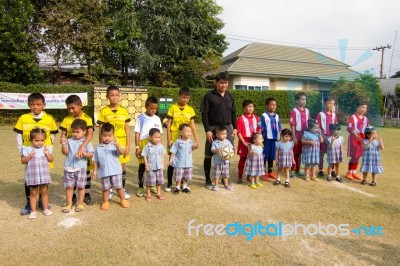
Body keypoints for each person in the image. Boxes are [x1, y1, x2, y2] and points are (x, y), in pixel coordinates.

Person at [14, 92, 58, 215]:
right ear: (29, 105)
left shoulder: (49, 118)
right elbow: (19, 135)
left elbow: (53, 135)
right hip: (29, 153)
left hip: (43, 154)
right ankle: (29, 203)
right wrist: (22, 152)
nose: (36, 107)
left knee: (43, 178)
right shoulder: (23, 118)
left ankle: (41, 202)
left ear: (44, 105)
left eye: (38, 104)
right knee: (30, 178)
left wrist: (49, 151)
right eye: (33, 104)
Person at [201, 72, 237, 189]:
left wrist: (235, 128)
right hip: (212, 127)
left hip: (227, 128)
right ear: (216, 83)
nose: (224, 85)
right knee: (208, 154)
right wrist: (207, 130)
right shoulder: (209, 95)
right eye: (221, 82)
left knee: (227, 153)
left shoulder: (230, 96)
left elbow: (233, 113)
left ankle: (224, 178)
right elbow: (204, 114)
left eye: (226, 83)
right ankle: (207, 179)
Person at [59, 95, 94, 205]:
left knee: (85, 172)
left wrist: (82, 147)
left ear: (80, 106)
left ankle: (86, 194)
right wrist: (63, 140)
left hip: (83, 150)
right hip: (71, 149)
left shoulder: (87, 118)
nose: (71, 110)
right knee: (72, 173)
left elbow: (90, 134)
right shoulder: (66, 119)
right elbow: (63, 133)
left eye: (73, 108)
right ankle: (73, 196)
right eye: (68, 108)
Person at [97, 85, 131, 199]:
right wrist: (101, 145)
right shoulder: (104, 111)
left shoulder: (124, 111)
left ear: (119, 96)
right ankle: (110, 189)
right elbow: (100, 130)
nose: (114, 97)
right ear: (107, 96)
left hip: (121, 143)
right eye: (112, 95)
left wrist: (128, 145)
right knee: (109, 166)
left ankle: (122, 188)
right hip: (108, 144)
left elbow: (127, 129)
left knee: (122, 167)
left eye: (117, 95)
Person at [165, 87, 199, 192]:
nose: (185, 100)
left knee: (184, 160)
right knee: (172, 160)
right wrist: (169, 139)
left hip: (185, 139)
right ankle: (170, 183)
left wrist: (196, 139)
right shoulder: (173, 108)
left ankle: (183, 184)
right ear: (179, 96)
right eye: (184, 97)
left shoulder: (190, 109)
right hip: (175, 137)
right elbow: (169, 124)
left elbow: (192, 125)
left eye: (187, 98)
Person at [92, 123, 129, 210]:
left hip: (116, 171)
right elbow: (95, 160)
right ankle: (105, 202)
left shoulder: (115, 146)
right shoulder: (98, 148)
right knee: (105, 188)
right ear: (101, 135)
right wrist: (94, 171)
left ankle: (123, 200)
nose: (107, 138)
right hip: (104, 172)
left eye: (109, 135)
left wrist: (118, 145)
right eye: (105, 135)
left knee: (119, 186)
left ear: (113, 135)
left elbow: (122, 152)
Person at [21, 128, 54, 219]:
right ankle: (33, 211)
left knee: (44, 192)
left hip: (44, 175)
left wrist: (47, 154)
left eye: (42, 140)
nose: (39, 142)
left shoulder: (47, 149)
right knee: (33, 193)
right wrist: (29, 156)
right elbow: (23, 161)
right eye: (36, 140)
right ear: (31, 140)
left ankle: (45, 208)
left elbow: (51, 159)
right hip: (33, 176)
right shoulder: (27, 149)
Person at [134, 97, 163, 197]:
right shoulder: (140, 118)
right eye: (151, 108)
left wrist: (159, 145)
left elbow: (160, 134)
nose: (153, 110)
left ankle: (153, 185)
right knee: (142, 166)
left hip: (155, 144)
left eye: (155, 109)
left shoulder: (157, 118)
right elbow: (137, 133)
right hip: (143, 143)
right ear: (146, 106)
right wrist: (137, 147)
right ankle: (141, 187)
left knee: (154, 166)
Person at [169, 124, 197, 194]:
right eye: (187, 131)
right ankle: (177, 187)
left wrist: (195, 147)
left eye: (190, 131)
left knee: (186, 176)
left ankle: (184, 186)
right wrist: (170, 160)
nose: (189, 133)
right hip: (179, 163)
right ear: (181, 133)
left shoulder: (190, 141)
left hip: (188, 163)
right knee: (178, 176)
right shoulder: (178, 142)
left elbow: (190, 149)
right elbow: (173, 151)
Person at [236, 99, 260, 184]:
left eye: (252, 106)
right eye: (248, 106)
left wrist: (258, 141)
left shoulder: (257, 118)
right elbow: (238, 132)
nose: (250, 108)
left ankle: (250, 175)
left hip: (254, 141)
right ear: (244, 108)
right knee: (243, 158)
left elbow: (259, 130)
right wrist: (244, 142)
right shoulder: (240, 118)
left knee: (252, 159)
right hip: (244, 140)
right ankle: (239, 176)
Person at [346, 101, 370, 180]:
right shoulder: (353, 117)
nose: (363, 109)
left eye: (365, 108)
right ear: (357, 107)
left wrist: (368, 138)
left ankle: (354, 172)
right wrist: (357, 136)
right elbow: (349, 128)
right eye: (362, 107)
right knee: (354, 156)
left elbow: (368, 130)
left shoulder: (366, 119)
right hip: (354, 138)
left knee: (358, 156)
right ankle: (349, 172)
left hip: (362, 139)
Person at [141, 128, 166, 202]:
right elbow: (144, 156)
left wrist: (163, 164)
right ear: (150, 137)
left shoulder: (160, 146)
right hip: (151, 168)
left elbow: (162, 155)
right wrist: (146, 165)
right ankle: (148, 194)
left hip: (159, 167)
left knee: (159, 181)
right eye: (156, 137)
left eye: (159, 137)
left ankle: (158, 193)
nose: (158, 139)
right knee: (150, 182)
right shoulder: (147, 147)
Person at [260, 97, 282, 180]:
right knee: (265, 156)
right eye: (272, 105)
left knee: (271, 156)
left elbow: (279, 127)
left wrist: (281, 135)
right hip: (266, 139)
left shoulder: (277, 116)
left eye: (275, 105)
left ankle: (270, 172)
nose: (273, 106)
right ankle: (263, 173)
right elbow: (261, 128)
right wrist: (261, 138)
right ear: (267, 106)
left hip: (274, 139)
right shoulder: (264, 116)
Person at [316, 97, 338, 177]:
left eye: (333, 103)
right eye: (329, 103)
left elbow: (336, 127)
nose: (331, 105)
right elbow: (318, 127)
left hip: (331, 138)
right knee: (321, 154)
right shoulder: (320, 114)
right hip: (323, 137)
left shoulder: (334, 115)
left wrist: (335, 136)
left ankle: (332, 170)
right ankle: (320, 170)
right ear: (325, 103)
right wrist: (323, 136)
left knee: (332, 155)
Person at [290, 92, 310, 178]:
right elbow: (292, 124)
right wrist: (294, 137)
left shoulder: (307, 111)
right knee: (294, 153)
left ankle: (297, 169)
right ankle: (292, 170)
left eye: (305, 99)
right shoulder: (294, 111)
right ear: (296, 100)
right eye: (302, 99)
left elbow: (309, 123)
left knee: (300, 153)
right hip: (297, 135)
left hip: (304, 135)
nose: (304, 101)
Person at [211, 126, 234, 191]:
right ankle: (216, 185)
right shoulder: (215, 142)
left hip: (226, 162)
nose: (224, 135)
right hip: (217, 162)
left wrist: (231, 153)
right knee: (216, 174)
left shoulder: (228, 141)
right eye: (222, 134)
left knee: (225, 175)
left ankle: (226, 185)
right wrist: (217, 150)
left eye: (225, 134)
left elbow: (231, 149)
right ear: (217, 135)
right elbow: (212, 150)